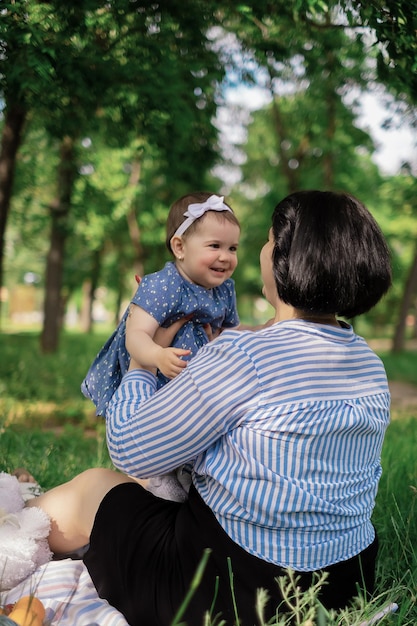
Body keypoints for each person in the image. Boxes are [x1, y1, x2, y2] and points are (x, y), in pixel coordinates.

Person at [29, 190, 392, 626]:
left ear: (286, 259)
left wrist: (144, 366)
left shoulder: (248, 355)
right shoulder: (369, 362)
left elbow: (130, 449)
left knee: (95, 488)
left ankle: (14, 530)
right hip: (342, 585)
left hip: (236, 591)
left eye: (268, 240)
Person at [81, 191, 241, 500]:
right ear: (179, 247)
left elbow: (229, 331)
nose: (226, 256)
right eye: (215, 246)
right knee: (157, 430)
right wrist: (157, 355)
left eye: (232, 247)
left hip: (188, 382)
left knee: (191, 428)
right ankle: (155, 480)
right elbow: (136, 335)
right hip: (152, 377)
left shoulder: (224, 290)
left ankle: (186, 474)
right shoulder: (164, 284)